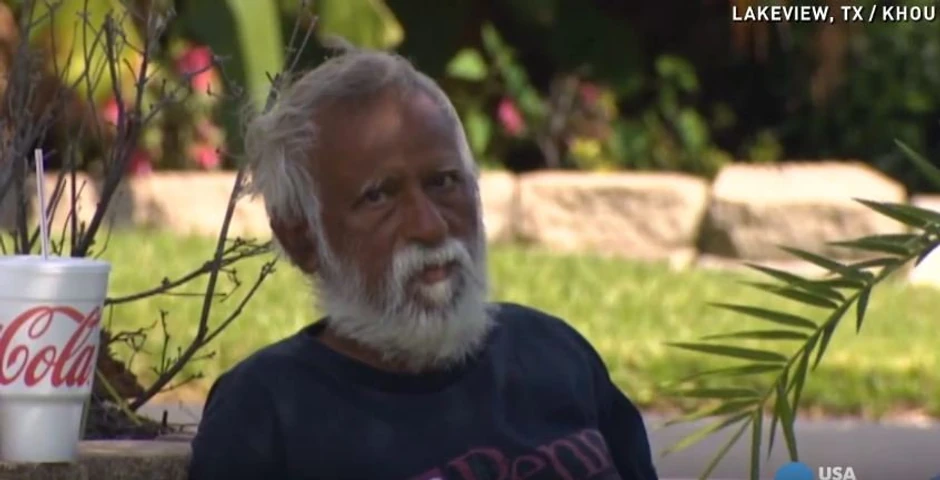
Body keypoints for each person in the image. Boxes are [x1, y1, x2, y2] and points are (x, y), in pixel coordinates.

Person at [188, 42, 659, 480]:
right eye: (379, 196)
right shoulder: (268, 412)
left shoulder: (554, 355)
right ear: (302, 240)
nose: (430, 227)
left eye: (444, 182)